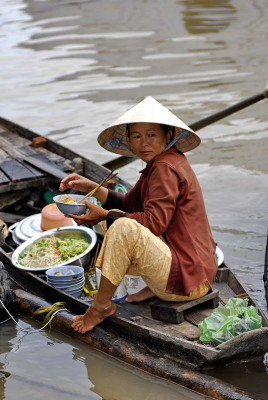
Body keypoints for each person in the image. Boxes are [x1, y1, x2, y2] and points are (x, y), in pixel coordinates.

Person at [59, 96, 218, 334]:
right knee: (117, 218)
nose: (143, 142)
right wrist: (90, 187)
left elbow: (154, 223)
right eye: (136, 136)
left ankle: (101, 305)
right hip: (198, 269)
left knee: (122, 227)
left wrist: (104, 215)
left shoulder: (165, 168)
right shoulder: (162, 162)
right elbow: (129, 203)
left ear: (167, 135)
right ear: (130, 141)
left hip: (189, 282)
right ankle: (153, 286)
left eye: (151, 134)